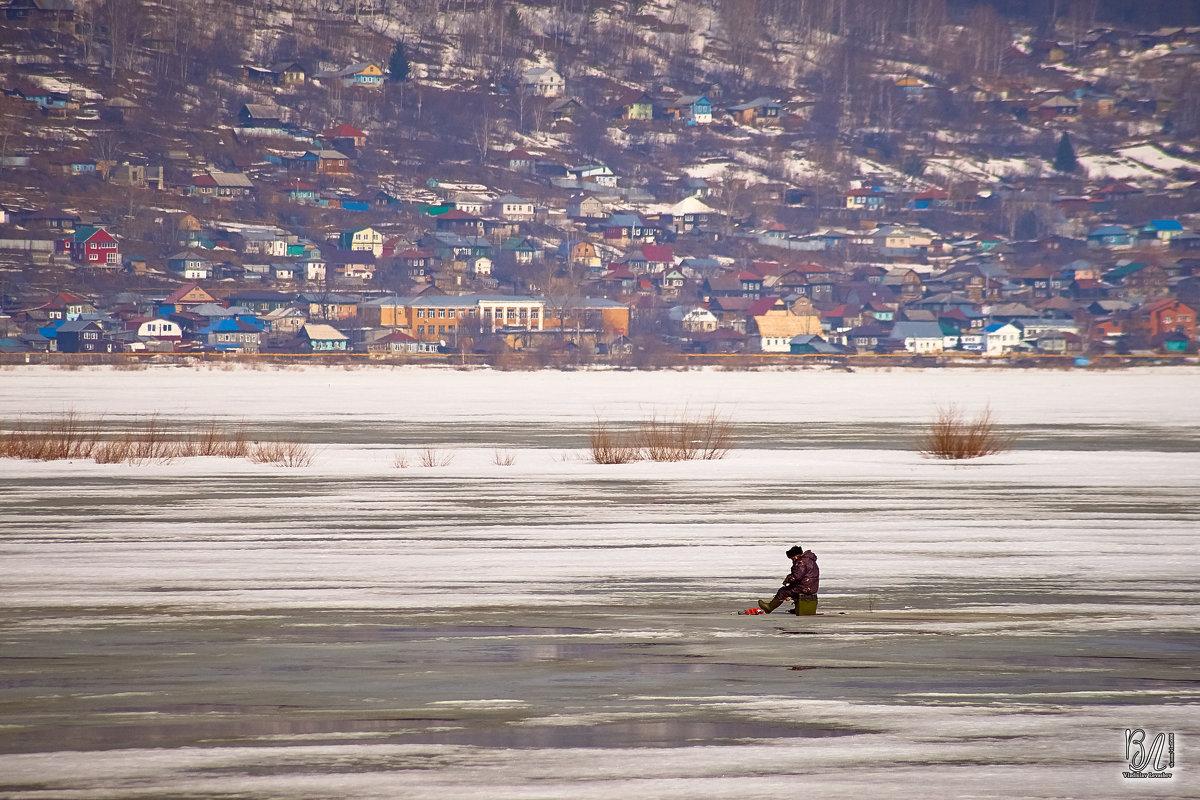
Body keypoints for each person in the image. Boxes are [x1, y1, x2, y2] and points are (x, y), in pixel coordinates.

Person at [758, 545, 819, 615]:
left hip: (805, 587)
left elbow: (796, 576)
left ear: (796, 555)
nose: (792, 560)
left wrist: (787, 579)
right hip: (811, 586)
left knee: (783, 592)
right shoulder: (809, 560)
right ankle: (798, 608)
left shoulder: (801, 562)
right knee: (792, 590)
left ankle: (769, 608)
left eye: (792, 558)